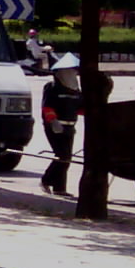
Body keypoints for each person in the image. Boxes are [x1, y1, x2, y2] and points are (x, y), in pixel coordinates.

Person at [39, 55, 81, 196]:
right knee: (62, 156)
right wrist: (53, 121)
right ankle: (46, 180)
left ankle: (59, 188)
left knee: (66, 158)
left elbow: (80, 108)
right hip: (55, 127)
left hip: (70, 127)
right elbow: (47, 107)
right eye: (69, 70)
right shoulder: (52, 88)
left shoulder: (76, 90)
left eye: (74, 71)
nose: (72, 73)